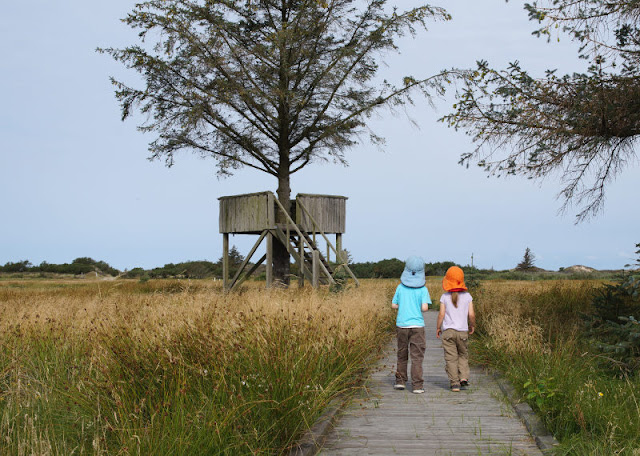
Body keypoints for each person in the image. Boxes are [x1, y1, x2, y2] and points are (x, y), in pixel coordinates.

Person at [392, 256, 432, 394]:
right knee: (417, 357)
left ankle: (400, 381)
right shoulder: (423, 289)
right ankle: (417, 385)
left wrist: (401, 305)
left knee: (402, 354)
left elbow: (394, 305)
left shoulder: (400, 287)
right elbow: (425, 308)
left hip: (402, 325)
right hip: (417, 326)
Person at [436, 266, 476, 392]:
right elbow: (471, 314)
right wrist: (472, 325)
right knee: (463, 355)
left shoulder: (444, 297)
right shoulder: (468, 296)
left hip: (448, 332)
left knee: (451, 358)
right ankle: (463, 377)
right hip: (462, 332)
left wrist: (438, 327)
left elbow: (441, 314)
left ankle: (454, 384)